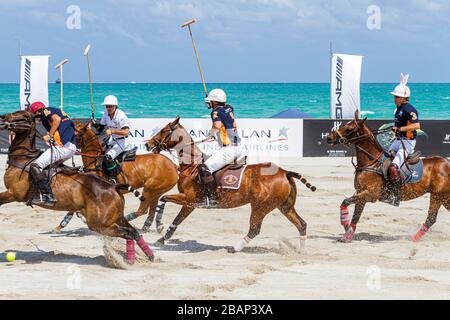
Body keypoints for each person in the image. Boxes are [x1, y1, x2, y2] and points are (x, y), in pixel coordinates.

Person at [198, 88, 242, 207]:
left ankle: (211, 199)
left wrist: (209, 135)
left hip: (229, 149)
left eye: (210, 101)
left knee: (204, 168)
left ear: (215, 102)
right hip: (238, 146)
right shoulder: (229, 107)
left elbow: (217, 125)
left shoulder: (216, 112)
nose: (208, 103)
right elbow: (222, 109)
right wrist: (212, 99)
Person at [28, 101, 77, 206]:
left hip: (63, 148)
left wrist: (49, 135)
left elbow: (57, 120)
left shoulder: (45, 111)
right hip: (70, 147)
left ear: (37, 111)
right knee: (49, 167)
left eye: (34, 114)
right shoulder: (54, 110)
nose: (35, 117)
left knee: (35, 166)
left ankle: (48, 196)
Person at [387, 74, 421, 206]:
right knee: (382, 158)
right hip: (398, 141)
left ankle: (396, 195)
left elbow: (417, 125)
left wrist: (399, 129)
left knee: (394, 167)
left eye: (397, 97)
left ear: (404, 97)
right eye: (394, 96)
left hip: (407, 142)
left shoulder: (409, 109)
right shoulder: (398, 109)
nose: (394, 99)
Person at [93, 95, 131, 183]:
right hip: (113, 140)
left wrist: (113, 131)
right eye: (107, 106)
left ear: (115, 106)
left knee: (108, 157)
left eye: (110, 106)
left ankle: (113, 179)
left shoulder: (120, 115)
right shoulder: (105, 114)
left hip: (123, 141)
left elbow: (126, 132)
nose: (108, 108)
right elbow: (100, 128)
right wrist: (95, 124)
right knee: (99, 154)